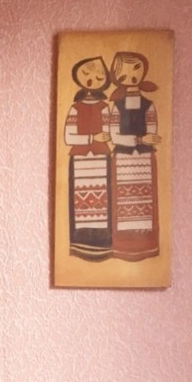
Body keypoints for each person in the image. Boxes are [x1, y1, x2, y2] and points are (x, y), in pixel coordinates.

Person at [107, 50, 162, 260]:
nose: (131, 76)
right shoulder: (116, 106)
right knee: (122, 202)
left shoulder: (148, 104)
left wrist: (141, 140)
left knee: (145, 202)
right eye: (124, 73)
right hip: (123, 158)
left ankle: (146, 245)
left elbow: (153, 134)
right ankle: (122, 246)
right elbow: (114, 136)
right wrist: (139, 139)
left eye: (136, 69)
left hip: (144, 159)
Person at [63, 56, 115, 260]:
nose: (93, 79)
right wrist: (92, 138)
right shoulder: (75, 108)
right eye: (87, 75)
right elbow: (68, 137)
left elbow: (110, 132)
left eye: (99, 76)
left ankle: (102, 241)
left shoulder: (105, 107)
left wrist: (105, 137)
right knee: (80, 201)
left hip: (101, 157)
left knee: (103, 200)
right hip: (80, 159)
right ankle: (81, 240)